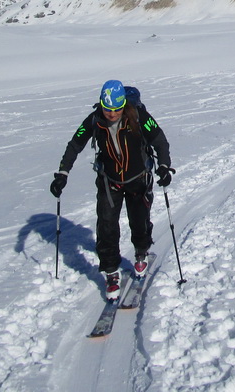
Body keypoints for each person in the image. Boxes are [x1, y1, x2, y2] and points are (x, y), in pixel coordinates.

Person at [50, 79, 175, 300]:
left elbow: (159, 139)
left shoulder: (138, 116)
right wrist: (63, 172)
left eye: (117, 109)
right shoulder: (95, 119)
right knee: (106, 226)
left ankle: (141, 253)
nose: (112, 114)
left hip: (138, 179)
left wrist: (164, 166)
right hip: (109, 181)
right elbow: (75, 144)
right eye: (108, 109)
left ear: (123, 104)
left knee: (139, 221)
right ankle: (111, 272)